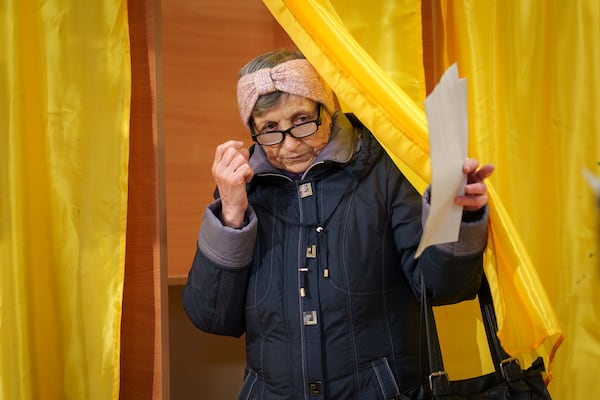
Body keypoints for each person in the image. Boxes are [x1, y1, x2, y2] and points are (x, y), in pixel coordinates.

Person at [182, 49, 495, 399]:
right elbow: (212, 318)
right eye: (270, 129)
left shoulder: (384, 168)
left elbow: (442, 287)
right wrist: (230, 215)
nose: (290, 143)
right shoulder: (244, 189)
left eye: (301, 119)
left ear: (327, 107)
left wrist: (457, 217)